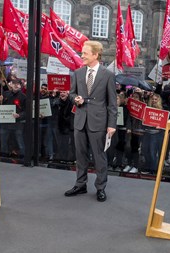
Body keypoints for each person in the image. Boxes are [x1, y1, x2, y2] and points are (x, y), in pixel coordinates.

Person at [64, 40, 117, 202]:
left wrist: (111, 125)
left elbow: (112, 103)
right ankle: (81, 184)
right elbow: (72, 94)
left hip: (99, 123)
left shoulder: (107, 75)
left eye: (85, 53)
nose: (82, 56)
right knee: (80, 155)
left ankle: (100, 188)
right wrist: (76, 99)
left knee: (99, 156)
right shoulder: (78, 73)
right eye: (82, 53)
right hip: (80, 120)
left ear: (95, 54)